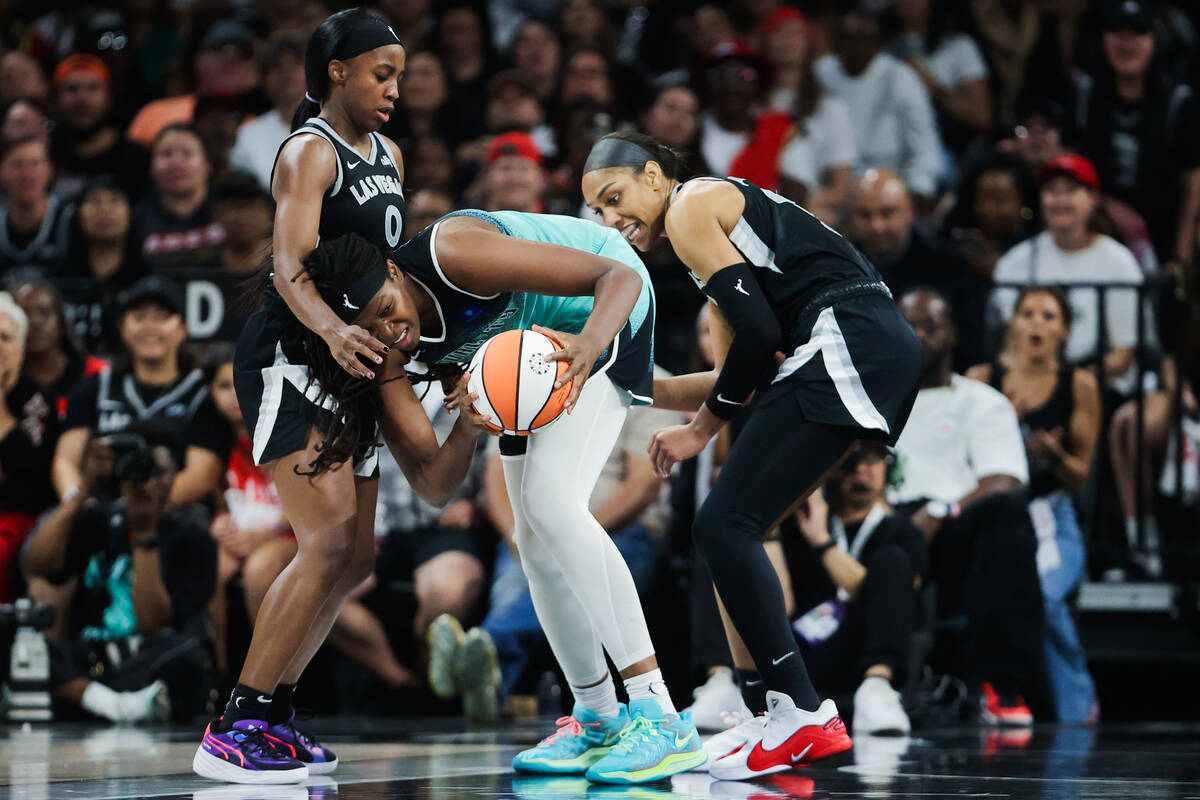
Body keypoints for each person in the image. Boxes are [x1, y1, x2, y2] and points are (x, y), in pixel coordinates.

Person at [582, 131, 923, 780]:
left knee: (721, 523)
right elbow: (737, 371)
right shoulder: (714, 244)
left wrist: (697, 433)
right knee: (736, 528)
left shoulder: (689, 208)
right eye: (597, 211)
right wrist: (611, 376)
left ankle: (803, 711)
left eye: (615, 196)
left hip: (846, 337)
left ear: (655, 177)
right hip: (860, 345)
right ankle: (769, 708)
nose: (610, 219)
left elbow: (761, 340)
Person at [388, 204, 701, 785]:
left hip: (605, 308)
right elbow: (435, 486)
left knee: (553, 506)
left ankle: (661, 714)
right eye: (374, 324)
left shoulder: (451, 250)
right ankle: (599, 718)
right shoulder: (397, 337)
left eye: (385, 308)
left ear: (391, 269)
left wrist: (587, 344)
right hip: (529, 352)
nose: (389, 330)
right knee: (532, 544)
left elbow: (623, 279)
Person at [194, 9, 410, 784]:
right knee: (323, 541)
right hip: (293, 350)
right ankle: (236, 721)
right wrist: (334, 331)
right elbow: (288, 265)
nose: (394, 89)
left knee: (355, 554)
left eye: (401, 76)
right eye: (381, 73)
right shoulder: (308, 151)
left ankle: (276, 712)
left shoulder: (388, 152)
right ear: (336, 72)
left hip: (353, 358)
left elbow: (385, 270)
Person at [476, 364, 682, 705]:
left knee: (564, 567)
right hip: (536, 527)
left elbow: (644, 484)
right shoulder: (526, 365)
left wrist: (569, 534)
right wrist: (519, 534)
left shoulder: (645, 374)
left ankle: (493, 651)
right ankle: (593, 713)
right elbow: (498, 469)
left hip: (621, 528)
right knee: (528, 569)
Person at [893, 288, 1044, 727]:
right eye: (909, 326)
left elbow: (1004, 479)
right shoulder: (871, 399)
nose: (919, 336)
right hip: (884, 523)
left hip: (955, 528)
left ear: (953, 334)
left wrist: (941, 510)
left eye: (930, 326)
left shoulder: (982, 401)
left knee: (1008, 517)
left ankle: (1000, 682)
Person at [966, 286, 1100, 723]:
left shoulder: (1080, 385)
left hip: (1050, 512)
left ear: (1064, 330)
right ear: (1013, 324)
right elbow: (960, 458)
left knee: (1045, 595)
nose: (1037, 323)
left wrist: (1054, 456)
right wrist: (1001, 421)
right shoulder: (982, 379)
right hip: (992, 513)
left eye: (1048, 316)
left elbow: (1081, 479)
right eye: (1028, 313)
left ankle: (1078, 707)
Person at [25, 420, 215, 723]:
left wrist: (144, 534)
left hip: (151, 655)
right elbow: (37, 565)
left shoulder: (193, 535)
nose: (148, 482)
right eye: (139, 471)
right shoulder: (99, 519)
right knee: (20, 638)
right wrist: (82, 491)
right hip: (93, 654)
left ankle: (86, 698)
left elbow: (153, 623)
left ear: (175, 475)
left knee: (188, 655)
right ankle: (118, 705)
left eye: (159, 472)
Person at [51, 275, 233, 509]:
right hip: (98, 510)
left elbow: (201, 475)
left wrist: (137, 509)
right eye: (139, 316)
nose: (150, 326)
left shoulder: (200, 393)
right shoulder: (96, 386)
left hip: (174, 516)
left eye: (162, 317)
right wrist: (79, 503)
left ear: (183, 329)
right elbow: (65, 460)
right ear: (123, 329)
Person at [789, 442, 927, 735]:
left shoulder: (901, 530)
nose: (862, 469)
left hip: (869, 643)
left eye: (873, 461)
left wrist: (823, 543)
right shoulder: (805, 524)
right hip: (809, 646)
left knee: (893, 561)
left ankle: (877, 688)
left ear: (889, 469)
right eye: (852, 462)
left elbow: (898, 595)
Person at [989, 153, 1147, 390]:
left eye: (1071, 190)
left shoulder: (1120, 263)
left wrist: (1068, 385)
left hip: (1100, 383)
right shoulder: (1015, 263)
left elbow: (1122, 356)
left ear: (1092, 198)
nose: (1059, 200)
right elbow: (1009, 344)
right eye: (1051, 191)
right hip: (1031, 379)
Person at [1069, 0, 1200, 268]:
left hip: (1163, 245)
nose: (1126, 43)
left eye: (1137, 33)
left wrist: (1181, 255)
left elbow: (1193, 180)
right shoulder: (1084, 97)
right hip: (1094, 239)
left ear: (1153, 39)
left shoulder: (1178, 102)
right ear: (1104, 38)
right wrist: (1107, 204)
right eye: (1117, 33)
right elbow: (1070, 163)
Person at [849, 168, 989, 370]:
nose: (876, 226)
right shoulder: (838, 268)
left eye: (887, 213)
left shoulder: (951, 266)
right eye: (864, 215)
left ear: (910, 212)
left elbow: (971, 346)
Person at [815, 9, 944, 204]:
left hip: (888, 186)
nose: (855, 46)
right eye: (849, 38)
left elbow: (924, 142)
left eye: (863, 38)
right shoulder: (822, 72)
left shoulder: (900, 76)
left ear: (878, 43)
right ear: (837, 42)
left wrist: (918, 189)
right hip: (833, 187)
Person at [759, 8, 857, 222]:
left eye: (795, 34)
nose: (787, 41)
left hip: (807, 208)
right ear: (765, 42)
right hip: (755, 203)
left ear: (809, 43)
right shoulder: (750, 105)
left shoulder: (831, 107)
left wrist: (796, 208)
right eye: (778, 33)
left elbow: (841, 187)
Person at [58, 177, 145, 358]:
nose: (105, 210)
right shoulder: (59, 279)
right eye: (95, 201)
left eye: (115, 201)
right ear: (78, 214)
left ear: (130, 213)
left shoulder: (147, 279)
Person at [49, 53, 149, 200]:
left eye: (93, 88)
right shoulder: (45, 153)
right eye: (71, 89)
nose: (82, 99)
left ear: (109, 97)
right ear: (56, 99)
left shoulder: (136, 157)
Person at [0, 293, 45, 601]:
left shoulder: (36, 404)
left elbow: (23, 470)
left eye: (4, 337)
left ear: (21, 350)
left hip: (18, 525)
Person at [131, 124, 224, 272]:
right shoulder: (132, 221)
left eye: (187, 153)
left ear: (207, 164)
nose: (176, 162)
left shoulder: (229, 212)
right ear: (151, 167)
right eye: (166, 154)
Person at [230, 34, 308, 192]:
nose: (287, 72)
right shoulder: (247, 136)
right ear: (263, 79)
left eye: (296, 63)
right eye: (276, 66)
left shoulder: (338, 125)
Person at [0, 135, 75, 281]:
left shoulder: (71, 219)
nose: (27, 175)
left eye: (35, 164)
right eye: (17, 165)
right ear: (2, 172)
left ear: (50, 169)